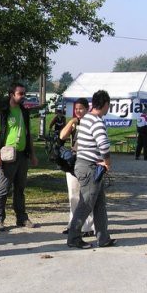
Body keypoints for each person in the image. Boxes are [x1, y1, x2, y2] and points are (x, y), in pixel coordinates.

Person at [67, 90, 115, 249]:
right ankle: (73, 237)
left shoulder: (87, 118)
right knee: (86, 203)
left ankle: (103, 238)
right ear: (106, 104)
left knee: (99, 204)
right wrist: (107, 162)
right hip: (89, 167)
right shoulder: (97, 121)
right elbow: (103, 145)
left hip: (86, 165)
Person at [0, 83, 38, 232]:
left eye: (24, 93)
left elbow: (28, 134)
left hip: (22, 155)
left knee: (20, 188)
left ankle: (21, 218)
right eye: (20, 94)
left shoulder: (24, 112)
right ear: (12, 94)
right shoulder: (2, 113)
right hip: (7, 156)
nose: (23, 96)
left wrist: (33, 154)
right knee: (2, 189)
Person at [59, 98, 94, 237]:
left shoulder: (92, 122)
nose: (78, 111)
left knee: (86, 195)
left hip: (87, 161)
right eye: (76, 109)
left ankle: (88, 226)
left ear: (87, 109)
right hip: (73, 162)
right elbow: (62, 136)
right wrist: (72, 122)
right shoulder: (74, 122)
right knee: (73, 194)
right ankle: (73, 224)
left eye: (81, 108)